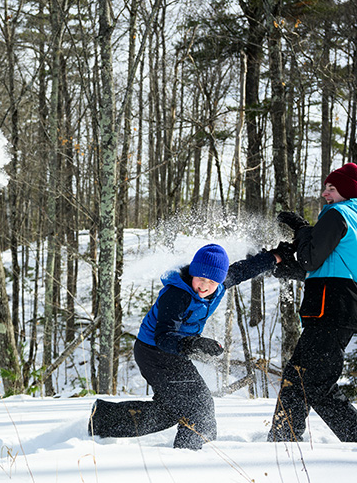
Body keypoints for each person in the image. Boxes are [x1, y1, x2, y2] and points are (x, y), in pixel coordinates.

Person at [89, 242, 288, 450]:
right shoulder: (177, 295)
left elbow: (243, 270)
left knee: (170, 410)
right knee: (199, 406)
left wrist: (274, 257)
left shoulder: (219, 285)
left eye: (211, 282)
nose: (204, 286)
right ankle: (189, 455)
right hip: (155, 353)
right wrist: (196, 344)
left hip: (173, 351)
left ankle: (103, 420)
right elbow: (164, 337)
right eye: (200, 278)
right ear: (192, 273)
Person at [268, 163, 357, 443]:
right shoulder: (353, 219)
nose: (324, 194)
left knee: (315, 383)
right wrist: (288, 270)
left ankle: (351, 435)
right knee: (299, 378)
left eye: (331, 188)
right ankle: (282, 439)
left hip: (329, 311)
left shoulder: (337, 214)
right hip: (339, 310)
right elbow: (329, 266)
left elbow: (310, 259)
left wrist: (302, 229)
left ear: (347, 190)